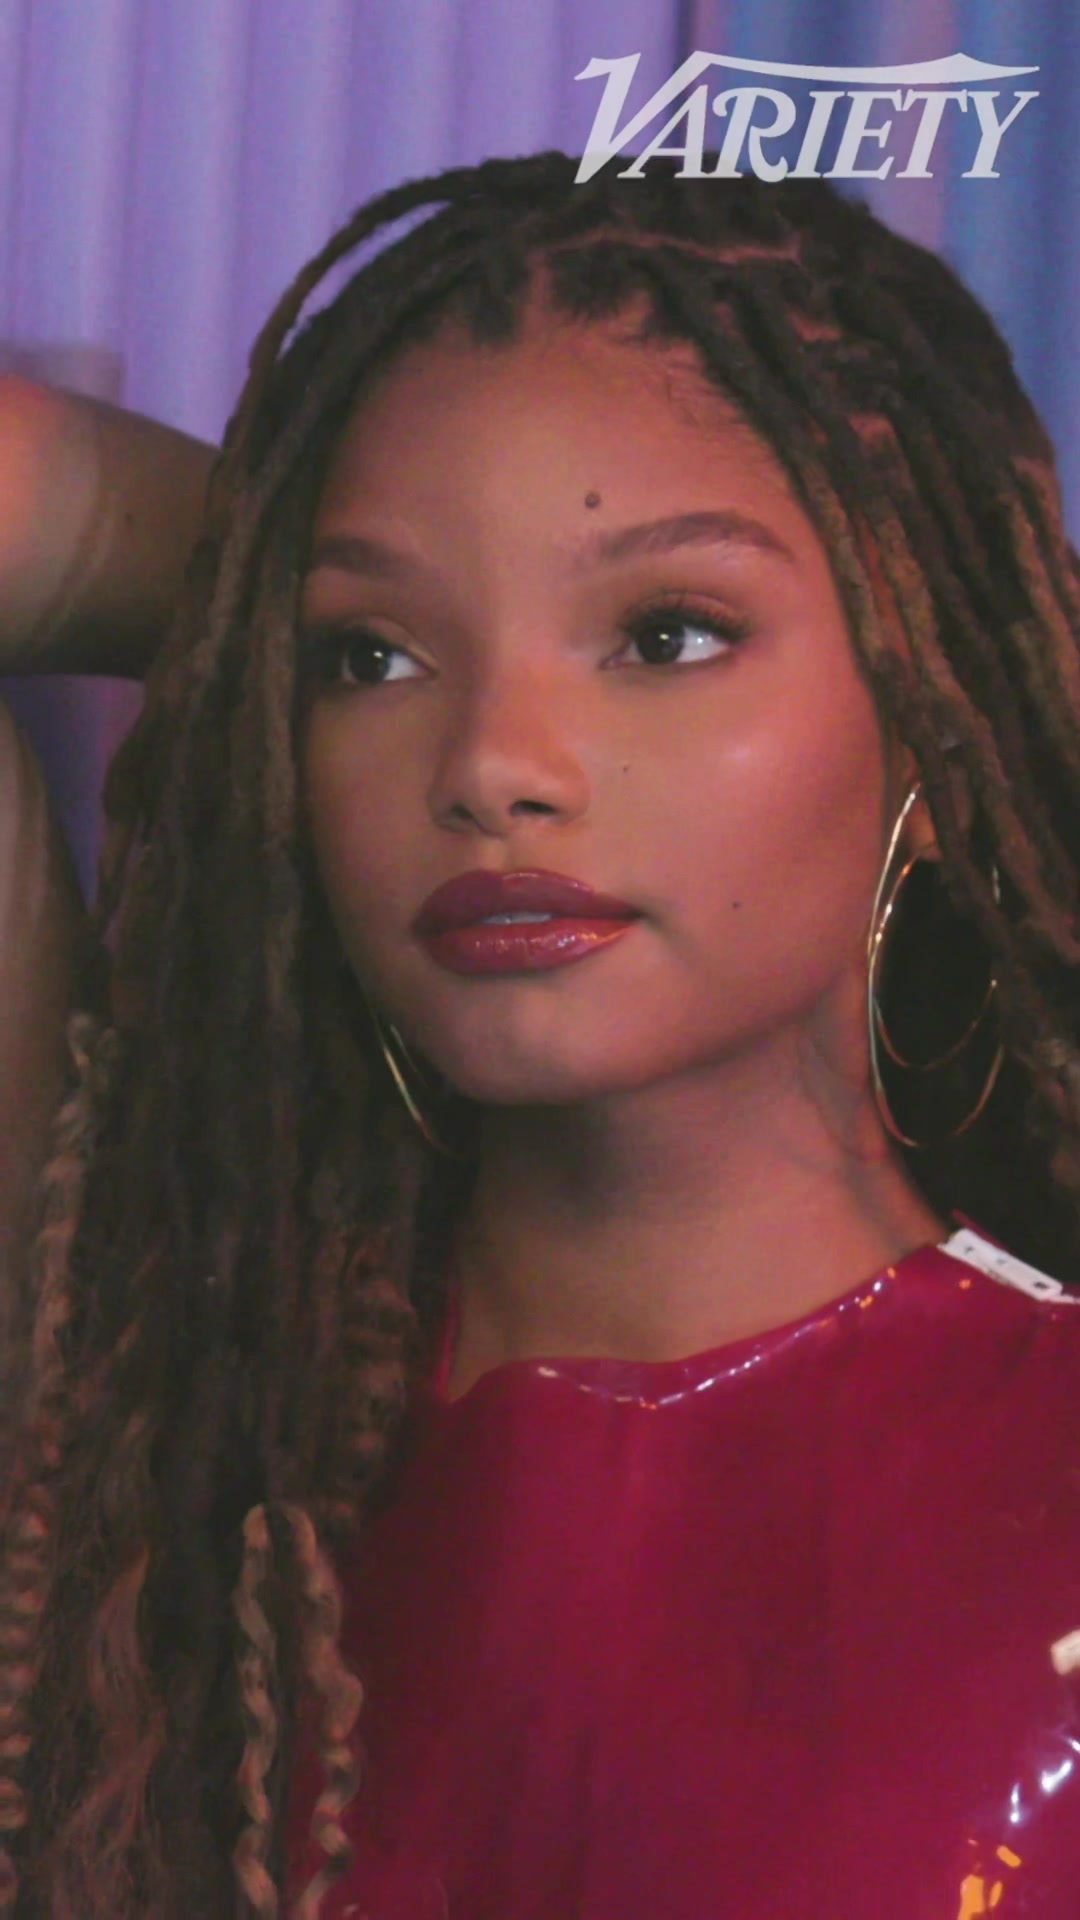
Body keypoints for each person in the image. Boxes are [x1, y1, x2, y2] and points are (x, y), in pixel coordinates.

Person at [2, 150, 1080, 1919]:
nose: (495, 762)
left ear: (930, 692)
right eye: (368, 659)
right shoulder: (167, 1445)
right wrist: (256, 579)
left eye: (667, 631)